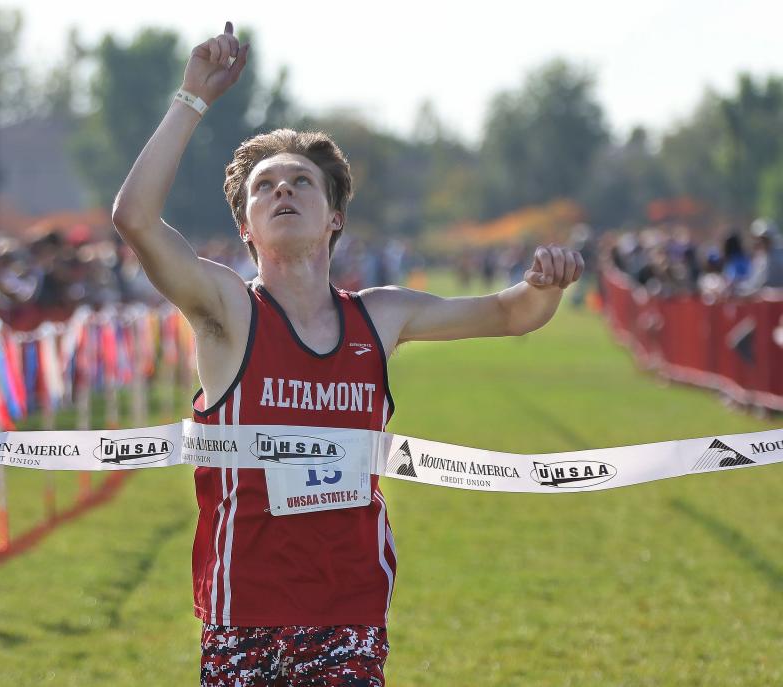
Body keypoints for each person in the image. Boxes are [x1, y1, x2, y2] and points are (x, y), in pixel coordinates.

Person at [111, 22, 584, 687]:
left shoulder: (380, 316)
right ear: (245, 226)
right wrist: (191, 98)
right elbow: (134, 217)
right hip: (242, 609)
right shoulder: (226, 310)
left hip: (349, 607)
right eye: (265, 187)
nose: (282, 191)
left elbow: (511, 313)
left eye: (301, 183)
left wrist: (546, 285)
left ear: (333, 216)